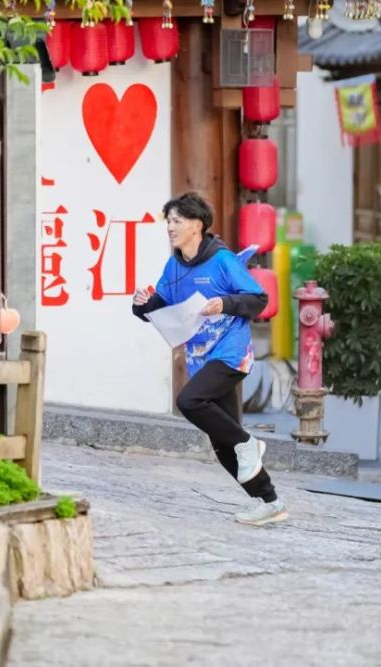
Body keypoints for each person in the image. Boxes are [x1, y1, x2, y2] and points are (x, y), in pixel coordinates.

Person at [131, 192, 288, 526]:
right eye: (168, 221)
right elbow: (161, 305)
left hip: (231, 353)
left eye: (177, 220)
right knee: (222, 443)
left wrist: (225, 303)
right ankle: (270, 501)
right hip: (200, 357)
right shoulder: (174, 265)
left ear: (197, 225)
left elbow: (258, 298)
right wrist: (142, 304)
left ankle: (248, 443)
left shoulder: (222, 260)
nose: (170, 227)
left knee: (189, 401)